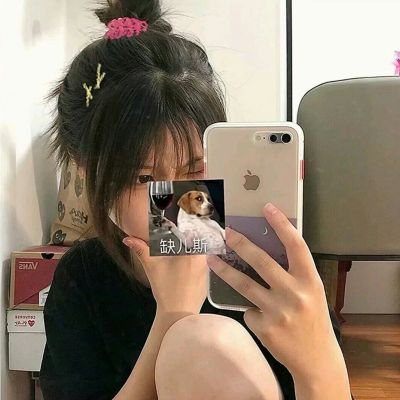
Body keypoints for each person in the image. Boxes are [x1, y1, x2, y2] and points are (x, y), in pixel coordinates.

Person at [39, 1, 352, 399]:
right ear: (85, 168)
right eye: (143, 178)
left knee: (200, 343)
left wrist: (318, 357)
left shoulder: (261, 263)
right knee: (194, 341)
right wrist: (172, 316)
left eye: (194, 170)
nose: (173, 202)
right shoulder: (84, 279)